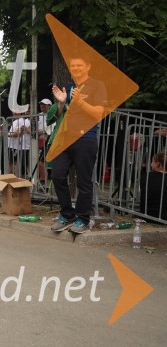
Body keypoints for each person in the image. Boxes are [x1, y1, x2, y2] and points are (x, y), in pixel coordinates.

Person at [49, 55, 108, 234]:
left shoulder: (97, 86)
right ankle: (67, 214)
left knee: (84, 181)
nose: (75, 68)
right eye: (73, 66)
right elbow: (59, 116)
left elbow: (99, 113)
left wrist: (81, 102)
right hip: (65, 138)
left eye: (79, 65)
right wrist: (60, 103)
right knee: (58, 175)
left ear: (88, 66)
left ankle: (83, 218)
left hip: (85, 138)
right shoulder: (68, 87)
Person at [141, 152, 166, 222]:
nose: (151, 163)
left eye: (152, 161)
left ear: (158, 164)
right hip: (164, 217)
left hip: (146, 215)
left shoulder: (145, 177)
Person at [37, 99, 53, 182]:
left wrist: (44, 133)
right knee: (39, 160)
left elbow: (52, 129)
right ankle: (42, 180)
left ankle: (43, 180)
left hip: (48, 141)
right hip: (38, 140)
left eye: (44, 104)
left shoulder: (53, 115)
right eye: (41, 104)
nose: (42, 106)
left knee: (41, 161)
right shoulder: (38, 115)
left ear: (49, 106)